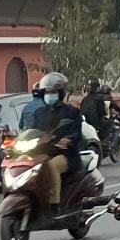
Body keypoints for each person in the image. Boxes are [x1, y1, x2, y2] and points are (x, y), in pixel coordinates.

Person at [29, 71, 84, 212]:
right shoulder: (39, 113)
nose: (49, 95)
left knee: (52, 166)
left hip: (66, 155)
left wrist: (68, 139)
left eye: (53, 92)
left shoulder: (71, 112)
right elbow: (31, 131)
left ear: (60, 93)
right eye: (47, 92)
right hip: (43, 152)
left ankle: (54, 204)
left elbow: (77, 133)